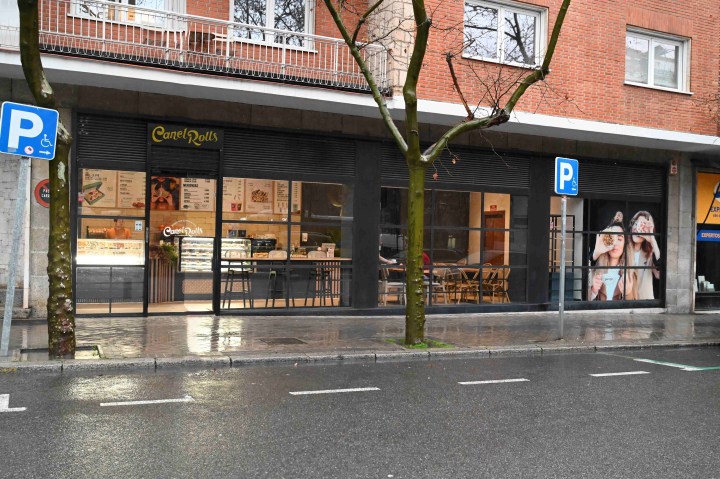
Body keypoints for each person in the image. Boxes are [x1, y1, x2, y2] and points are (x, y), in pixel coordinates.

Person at [589, 211, 637, 301]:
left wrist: (628, 293)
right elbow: (583, 300)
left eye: (619, 239)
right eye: (611, 238)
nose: (615, 243)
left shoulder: (630, 272)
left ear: (625, 244)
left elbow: (635, 304)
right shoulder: (595, 270)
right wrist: (593, 291)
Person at [629, 211, 660, 300]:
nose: (637, 228)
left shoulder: (650, 253)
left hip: (645, 302)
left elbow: (659, 275)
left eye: (642, 226)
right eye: (636, 224)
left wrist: (652, 240)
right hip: (626, 302)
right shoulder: (622, 250)